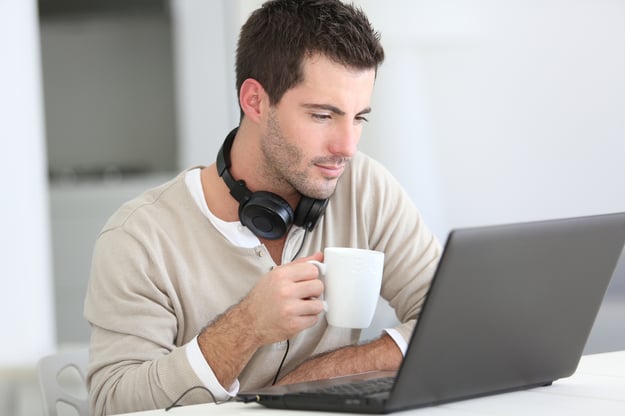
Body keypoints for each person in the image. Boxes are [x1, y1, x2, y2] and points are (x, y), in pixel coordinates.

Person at [84, 0, 441, 414]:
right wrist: (247, 327)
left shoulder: (365, 187)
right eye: (323, 115)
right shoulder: (139, 237)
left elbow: (453, 322)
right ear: (255, 102)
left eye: (359, 118)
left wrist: (309, 381)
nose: (347, 147)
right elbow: (112, 404)